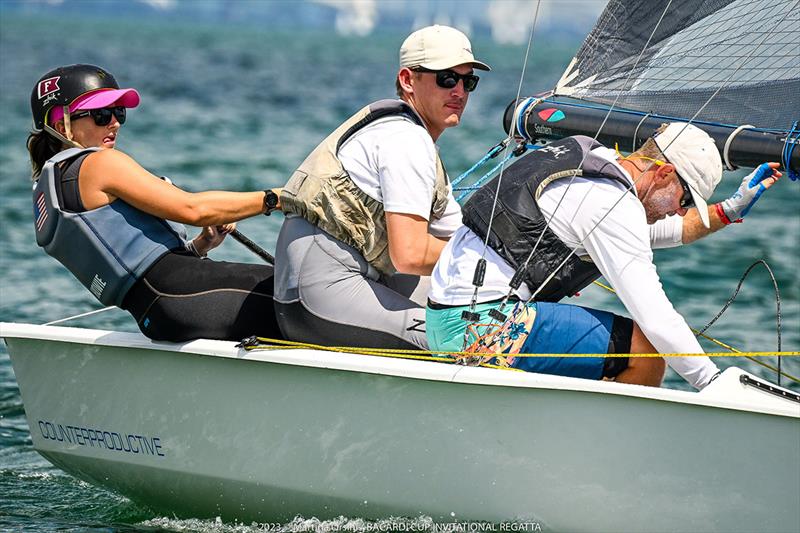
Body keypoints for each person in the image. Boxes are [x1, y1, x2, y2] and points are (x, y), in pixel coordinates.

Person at [427, 123, 782, 389]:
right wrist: (713, 384)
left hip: (450, 316)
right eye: (684, 200)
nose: (679, 211)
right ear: (664, 174)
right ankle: (602, 462)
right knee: (645, 352)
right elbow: (658, 319)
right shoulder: (612, 206)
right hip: (479, 330)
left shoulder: (594, 162)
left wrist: (731, 209)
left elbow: (663, 232)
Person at [28, 63, 284, 342]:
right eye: (101, 114)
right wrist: (278, 198)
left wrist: (200, 247)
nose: (114, 122)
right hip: (186, 294)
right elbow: (194, 209)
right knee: (304, 290)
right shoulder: (98, 164)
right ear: (60, 125)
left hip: (160, 313)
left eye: (119, 112)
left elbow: (132, 267)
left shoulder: (53, 187)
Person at [273, 25, 490, 349]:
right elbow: (411, 255)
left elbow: (456, 237)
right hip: (317, 294)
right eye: (446, 78)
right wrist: (487, 266)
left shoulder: (412, 138)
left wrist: (522, 266)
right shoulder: (404, 139)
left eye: (468, 81)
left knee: (483, 305)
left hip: (341, 282)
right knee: (472, 338)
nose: (459, 91)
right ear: (407, 80)